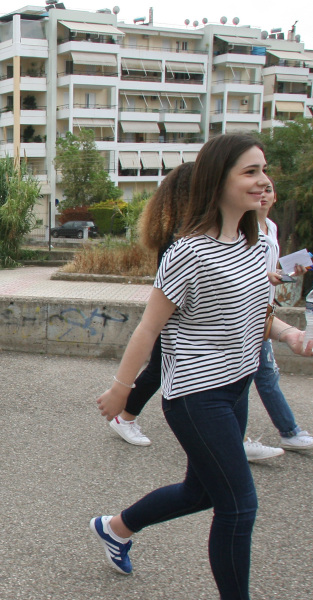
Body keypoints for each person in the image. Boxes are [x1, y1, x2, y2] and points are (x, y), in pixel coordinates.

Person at [93, 134, 313, 600]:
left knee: (199, 493)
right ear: (218, 180)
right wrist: (121, 390)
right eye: (250, 172)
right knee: (239, 505)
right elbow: (148, 329)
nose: (263, 180)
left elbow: (256, 313)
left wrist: (293, 336)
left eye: (264, 169)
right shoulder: (188, 252)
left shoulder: (253, 246)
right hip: (195, 395)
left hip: (235, 386)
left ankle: (115, 528)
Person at [104, 162, 195, 448]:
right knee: (159, 366)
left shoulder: (177, 228)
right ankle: (126, 416)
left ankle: (127, 416)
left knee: (161, 366)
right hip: (177, 314)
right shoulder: (180, 235)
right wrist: (120, 387)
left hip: (177, 312)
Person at [248, 182, 313, 454]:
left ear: (275, 197)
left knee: (265, 377)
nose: (263, 194)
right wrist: (269, 276)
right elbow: (240, 272)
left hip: (263, 312)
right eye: (259, 189)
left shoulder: (271, 227)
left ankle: (288, 432)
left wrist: (291, 270)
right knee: (247, 378)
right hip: (245, 313)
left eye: (268, 190)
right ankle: (243, 439)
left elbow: (270, 270)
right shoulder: (243, 229)